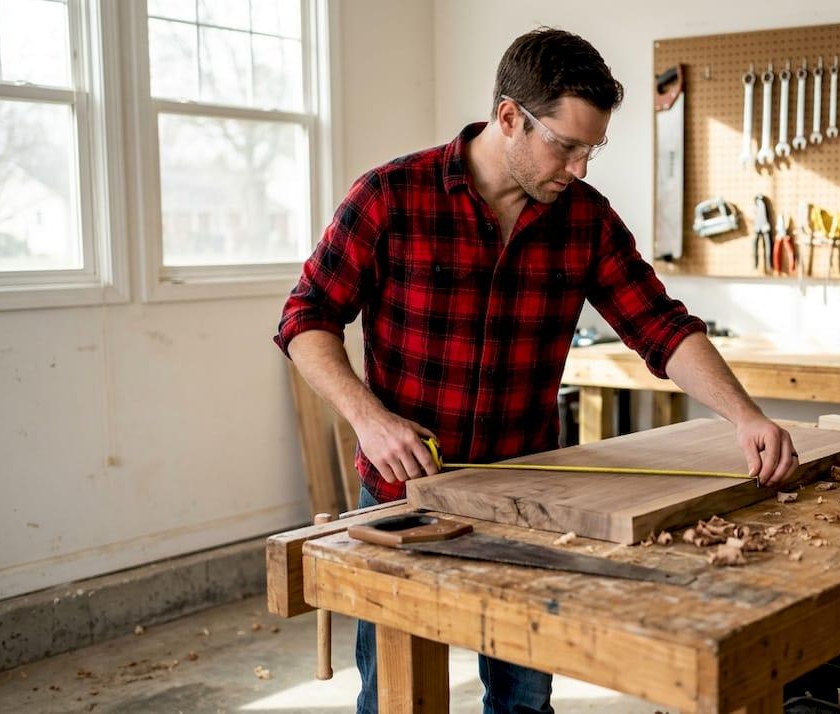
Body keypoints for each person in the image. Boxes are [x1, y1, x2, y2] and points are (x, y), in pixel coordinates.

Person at [274, 26, 797, 714]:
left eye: (592, 149)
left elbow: (659, 326)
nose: (579, 168)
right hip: (406, 498)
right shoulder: (390, 196)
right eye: (566, 145)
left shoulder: (584, 219)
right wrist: (368, 420)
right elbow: (305, 317)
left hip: (528, 500)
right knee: (397, 698)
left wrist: (745, 415)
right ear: (509, 117)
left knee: (523, 702)